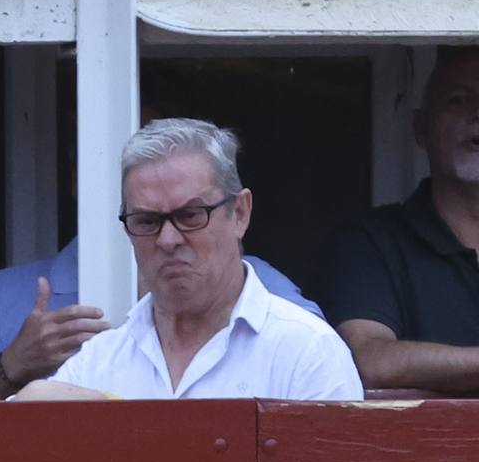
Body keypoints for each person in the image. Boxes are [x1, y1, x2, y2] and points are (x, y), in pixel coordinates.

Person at [19, 119, 362, 403]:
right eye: (146, 221)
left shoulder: (307, 352)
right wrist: (31, 401)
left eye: (191, 215)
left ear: (240, 214)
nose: (168, 239)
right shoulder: (99, 359)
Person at [0, 237, 319, 399]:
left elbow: (320, 365)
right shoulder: (6, 293)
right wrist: (12, 368)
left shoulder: (252, 280)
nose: (167, 234)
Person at [310, 47, 479, 397]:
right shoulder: (369, 243)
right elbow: (371, 362)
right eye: (459, 100)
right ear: (421, 128)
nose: (478, 114)